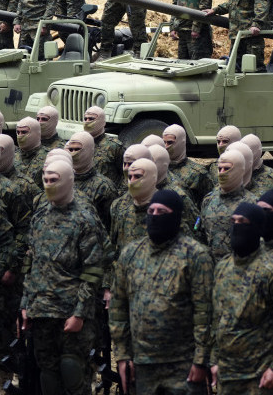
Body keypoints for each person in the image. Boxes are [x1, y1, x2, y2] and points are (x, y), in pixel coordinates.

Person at [110, 189, 213, 395]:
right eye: (151, 211)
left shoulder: (195, 255)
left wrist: (201, 360)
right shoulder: (130, 253)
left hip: (182, 365)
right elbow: (118, 307)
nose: (155, 216)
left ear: (175, 216)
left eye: (162, 212)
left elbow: (206, 313)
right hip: (140, 364)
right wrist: (122, 355)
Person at [21, 160, 110, 395]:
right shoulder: (39, 217)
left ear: (69, 181)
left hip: (71, 311)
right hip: (42, 311)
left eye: (55, 180)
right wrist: (25, 304)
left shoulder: (85, 220)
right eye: (46, 180)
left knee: (72, 372)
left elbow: (93, 272)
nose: (49, 185)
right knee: (48, 376)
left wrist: (80, 313)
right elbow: (31, 263)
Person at [211, 203, 273, 394]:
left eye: (242, 222)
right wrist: (214, 360)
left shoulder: (272, 270)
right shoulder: (222, 268)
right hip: (227, 373)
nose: (236, 226)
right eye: (233, 221)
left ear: (257, 228)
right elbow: (218, 318)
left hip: (260, 375)